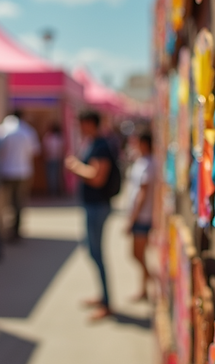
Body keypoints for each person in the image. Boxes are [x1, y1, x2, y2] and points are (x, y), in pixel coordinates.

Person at [65, 111, 117, 321]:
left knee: (96, 253)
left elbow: (97, 178)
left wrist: (75, 167)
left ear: (89, 124)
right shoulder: (93, 143)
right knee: (92, 251)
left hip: (98, 206)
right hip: (92, 205)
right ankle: (103, 296)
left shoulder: (101, 146)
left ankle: (106, 301)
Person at [0, 110, 39, 241]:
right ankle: (16, 230)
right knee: (19, 202)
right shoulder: (28, 131)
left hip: (5, 171)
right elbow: (34, 152)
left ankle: (5, 229)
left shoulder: (2, 129)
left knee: (5, 203)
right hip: (23, 172)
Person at [126, 132, 154, 301]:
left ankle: (152, 279)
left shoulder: (148, 164)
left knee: (137, 254)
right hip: (141, 215)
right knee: (139, 254)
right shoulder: (143, 161)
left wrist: (132, 218)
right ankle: (144, 289)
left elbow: (142, 194)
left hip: (142, 216)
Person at [42, 124, 65, 196]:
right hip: (54, 158)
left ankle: (54, 191)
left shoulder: (50, 137)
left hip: (53, 158)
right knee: (54, 175)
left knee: (53, 175)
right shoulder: (56, 137)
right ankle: (54, 191)